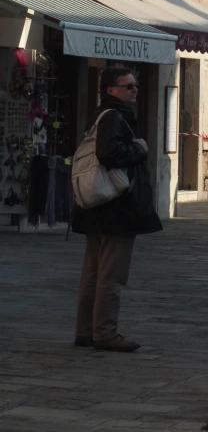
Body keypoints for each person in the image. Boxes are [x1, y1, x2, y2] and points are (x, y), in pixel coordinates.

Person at [72, 67, 162, 352]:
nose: (135, 90)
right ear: (111, 90)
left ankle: (87, 331)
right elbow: (110, 154)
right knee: (111, 274)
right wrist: (139, 149)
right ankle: (105, 333)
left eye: (136, 86)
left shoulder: (102, 115)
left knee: (93, 274)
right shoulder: (114, 117)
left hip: (99, 208)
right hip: (115, 208)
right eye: (129, 86)